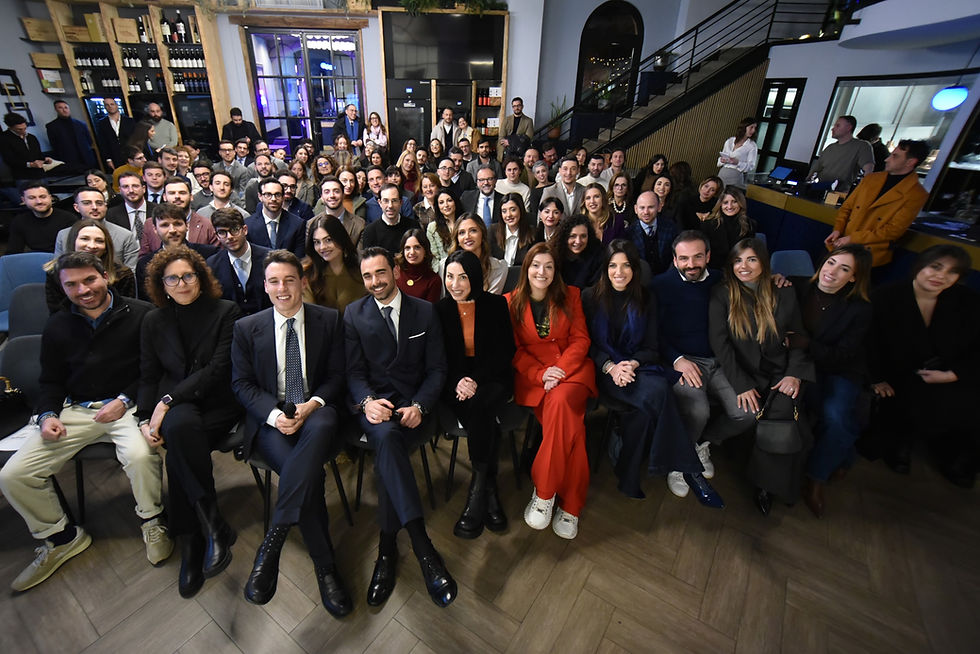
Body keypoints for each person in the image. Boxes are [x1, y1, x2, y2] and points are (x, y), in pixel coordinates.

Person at [0, 252, 171, 592]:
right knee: (14, 475)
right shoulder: (58, 325)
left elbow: (154, 372)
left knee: (139, 456)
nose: (83, 290)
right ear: (62, 288)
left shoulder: (142, 315)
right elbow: (50, 380)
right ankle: (61, 537)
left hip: (127, 407)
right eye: (72, 285)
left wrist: (123, 401)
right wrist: (47, 414)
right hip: (75, 410)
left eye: (89, 280)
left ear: (105, 276)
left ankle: (152, 520)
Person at [231, 250, 352, 617]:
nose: (282, 288)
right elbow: (242, 384)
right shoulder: (246, 328)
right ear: (264, 286)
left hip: (315, 412)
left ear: (302, 282)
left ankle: (273, 541)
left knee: (325, 422)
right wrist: (273, 415)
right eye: (274, 281)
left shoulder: (328, 320)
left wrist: (312, 404)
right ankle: (326, 566)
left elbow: (336, 377)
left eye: (289, 280)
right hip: (273, 421)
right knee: (308, 476)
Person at [345, 247, 457, 608]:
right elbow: (353, 373)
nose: (375, 282)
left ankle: (387, 550)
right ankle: (423, 548)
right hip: (377, 408)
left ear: (395, 270)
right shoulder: (353, 314)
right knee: (387, 440)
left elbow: (438, 368)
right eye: (367, 276)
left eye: (380, 273)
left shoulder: (424, 311)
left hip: (415, 409)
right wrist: (366, 403)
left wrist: (421, 405)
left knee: (388, 448)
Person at [137, 246, 242, 598]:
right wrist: (143, 417)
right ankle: (210, 527)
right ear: (161, 284)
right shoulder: (153, 320)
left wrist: (167, 402)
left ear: (200, 277)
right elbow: (149, 375)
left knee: (180, 436)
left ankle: (193, 539)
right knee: (181, 432)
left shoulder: (226, 311)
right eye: (173, 278)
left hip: (217, 402)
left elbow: (217, 370)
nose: (181, 283)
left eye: (188, 275)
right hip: (179, 409)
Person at [583, 240, 722, 504]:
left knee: (645, 412)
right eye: (613, 265)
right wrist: (612, 368)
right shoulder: (590, 297)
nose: (619, 272)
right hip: (602, 371)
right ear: (605, 268)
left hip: (637, 368)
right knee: (659, 390)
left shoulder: (647, 298)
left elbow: (651, 347)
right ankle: (688, 466)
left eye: (626, 265)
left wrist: (632, 364)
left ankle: (628, 477)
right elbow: (586, 344)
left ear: (635, 269)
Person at [708, 238, 815, 516]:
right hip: (745, 372)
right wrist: (741, 384)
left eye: (751, 260)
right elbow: (721, 346)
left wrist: (794, 374)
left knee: (788, 424)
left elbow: (798, 337)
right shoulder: (723, 294)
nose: (744, 266)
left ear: (763, 263)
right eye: (738, 260)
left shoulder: (783, 291)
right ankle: (762, 481)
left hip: (781, 372)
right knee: (760, 416)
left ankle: (770, 486)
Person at [865, 245, 980, 488]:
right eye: (936, 267)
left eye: (952, 272)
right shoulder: (885, 297)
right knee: (909, 396)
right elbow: (869, 345)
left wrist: (953, 374)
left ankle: (959, 457)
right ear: (920, 266)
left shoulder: (968, 302)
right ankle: (899, 443)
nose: (941, 276)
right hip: (900, 373)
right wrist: (876, 377)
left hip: (953, 372)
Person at [652, 231, 755, 500]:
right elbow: (653, 333)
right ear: (674, 260)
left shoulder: (722, 281)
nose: (691, 264)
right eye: (684, 258)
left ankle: (699, 444)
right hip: (681, 360)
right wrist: (677, 360)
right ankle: (678, 462)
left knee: (746, 412)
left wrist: (779, 279)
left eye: (698, 256)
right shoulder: (660, 286)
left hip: (720, 360)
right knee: (698, 410)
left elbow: (757, 283)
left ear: (708, 256)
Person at [506, 243, 596, 539]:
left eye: (548, 266)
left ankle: (544, 494)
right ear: (526, 269)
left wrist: (560, 372)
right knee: (574, 429)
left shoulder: (571, 295)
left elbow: (581, 340)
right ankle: (571, 506)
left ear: (555, 271)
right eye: (535, 265)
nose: (541, 272)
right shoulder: (510, 302)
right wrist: (541, 373)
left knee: (560, 404)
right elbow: (514, 351)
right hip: (536, 378)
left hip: (572, 371)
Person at [435, 249, 515, 537]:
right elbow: (439, 357)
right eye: (450, 277)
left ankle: (476, 491)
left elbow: (505, 351)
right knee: (481, 414)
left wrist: (475, 380)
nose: (455, 284)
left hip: (491, 376)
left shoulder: (495, 304)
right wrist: (458, 381)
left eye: (463, 277)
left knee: (481, 403)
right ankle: (489, 489)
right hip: (455, 381)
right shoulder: (441, 309)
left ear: (476, 278)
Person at [790, 245, 872, 517]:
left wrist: (807, 344)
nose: (832, 271)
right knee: (839, 417)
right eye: (831, 262)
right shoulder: (797, 286)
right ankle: (845, 456)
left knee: (836, 416)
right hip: (803, 365)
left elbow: (843, 355)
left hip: (840, 369)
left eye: (844, 269)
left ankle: (815, 479)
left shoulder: (860, 309)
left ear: (853, 278)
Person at [823, 139, 930, 268]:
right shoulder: (871, 179)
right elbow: (846, 208)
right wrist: (838, 230)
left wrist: (853, 238)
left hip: (868, 256)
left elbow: (892, 231)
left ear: (910, 162)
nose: (887, 159)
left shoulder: (916, 194)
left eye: (895, 156)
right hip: (840, 245)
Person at [45, 218, 136, 312]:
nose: (92, 246)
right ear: (73, 242)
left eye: (99, 241)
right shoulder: (54, 272)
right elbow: (57, 312)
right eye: (85, 239)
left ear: (106, 247)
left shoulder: (123, 274)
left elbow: (126, 311)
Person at [53, 187, 139, 270]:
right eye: (87, 203)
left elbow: (131, 272)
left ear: (105, 206)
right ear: (76, 207)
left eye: (99, 203)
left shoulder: (125, 236)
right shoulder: (64, 235)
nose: (94, 207)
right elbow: (57, 269)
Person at [207, 208, 272, 316]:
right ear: (217, 236)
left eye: (235, 229)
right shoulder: (212, 265)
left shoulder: (269, 258)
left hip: (266, 323)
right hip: (231, 327)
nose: (230, 237)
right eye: (222, 232)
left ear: (245, 230)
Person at [302, 214, 366, 315]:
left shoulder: (361, 268)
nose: (322, 247)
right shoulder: (308, 274)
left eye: (328, 240)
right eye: (317, 242)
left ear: (340, 238)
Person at [140, 177, 219, 255]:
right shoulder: (149, 224)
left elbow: (216, 258)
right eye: (172, 193)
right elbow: (144, 258)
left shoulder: (207, 224)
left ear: (191, 197)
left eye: (182, 193)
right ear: (164, 197)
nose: (177, 196)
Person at [806, 115, 874, 191]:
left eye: (837, 126)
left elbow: (868, 170)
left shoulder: (861, 146)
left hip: (840, 193)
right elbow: (815, 170)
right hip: (819, 188)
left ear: (849, 127)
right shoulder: (830, 148)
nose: (833, 129)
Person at [6, 182, 75, 254]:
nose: (39, 201)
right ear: (23, 200)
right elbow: (13, 251)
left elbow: (71, 251)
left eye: (42, 197)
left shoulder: (68, 219)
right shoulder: (19, 221)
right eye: (32, 198)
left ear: (50, 197)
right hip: (36, 259)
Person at [244, 177, 306, 259]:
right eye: (268, 195)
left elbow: (299, 258)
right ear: (260, 196)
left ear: (283, 197)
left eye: (277, 195)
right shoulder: (248, 225)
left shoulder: (297, 224)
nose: (273, 199)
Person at [696, 187, 756, 268]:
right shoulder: (708, 224)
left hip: (737, 267)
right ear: (720, 205)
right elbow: (703, 252)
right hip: (713, 268)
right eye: (725, 202)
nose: (730, 206)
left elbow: (749, 252)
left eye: (734, 202)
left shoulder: (750, 224)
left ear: (741, 203)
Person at [448, 214, 508, 293]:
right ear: (457, 239)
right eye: (462, 232)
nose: (467, 236)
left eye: (473, 230)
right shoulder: (445, 266)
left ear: (482, 235)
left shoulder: (498, 268)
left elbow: (490, 302)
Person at [625, 190, 677, 276]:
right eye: (642, 208)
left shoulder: (670, 228)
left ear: (659, 207)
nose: (646, 212)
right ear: (636, 209)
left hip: (666, 278)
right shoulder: (628, 233)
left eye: (651, 207)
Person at [360, 183, 421, 254]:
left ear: (401, 202)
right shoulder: (370, 231)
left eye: (394, 200)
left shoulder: (413, 226)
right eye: (386, 201)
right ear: (380, 203)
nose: (390, 206)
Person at [314, 175, 365, 247]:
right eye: (327, 192)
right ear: (321, 197)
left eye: (336, 191)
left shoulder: (360, 225)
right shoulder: (311, 224)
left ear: (343, 195)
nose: (332, 195)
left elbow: (360, 256)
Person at [45, 100, 96, 172]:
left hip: (87, 159)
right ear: (56, 110)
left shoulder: (80, 124)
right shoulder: (52, 126)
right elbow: (54, 145)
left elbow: (89, 140)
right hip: (69, 161)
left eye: (66, 107)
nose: (64, 110)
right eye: (60, 108)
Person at [555, 213, 603, 288]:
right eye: (573, 236)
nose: (578, 241)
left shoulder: (598, 255)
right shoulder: (555, 255)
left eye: (583, 236)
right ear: (565, 237)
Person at [394, 228, 441, 302]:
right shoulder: (395, 273)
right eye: (407, 248)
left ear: (425, 250)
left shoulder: (433, 280)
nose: (412, 252)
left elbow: (429, 311)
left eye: (417, 247)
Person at [489, 193, 535, 267]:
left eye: (513, 210)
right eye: (504, 211)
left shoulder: (533, 233)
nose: (508, 215)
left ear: (521, 210)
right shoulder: (493, 230)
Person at [107, 172, 154, 243]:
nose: (131, 190)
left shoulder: (158, 210)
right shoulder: (111, 214)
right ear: (120, 190)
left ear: (144, 189)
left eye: (135, 186)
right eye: (125, 187)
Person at [0, 112, 48, 179]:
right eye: (19, 129)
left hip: (39, 174)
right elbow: (9, 159)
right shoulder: (4, 138)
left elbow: (38, 154)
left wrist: (45, 160)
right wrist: (30, 165)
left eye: (25, 128)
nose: (23, 131)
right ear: (10, 127)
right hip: (22, 176)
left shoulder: (31, 137)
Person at [717, 117, 759, 188]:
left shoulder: (752, 146)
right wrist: (722, 160)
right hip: (722, 173)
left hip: (736, 176)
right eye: (751, 127)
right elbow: (722, 158)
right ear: (744, 127)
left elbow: (751, 166)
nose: (753, 130)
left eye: (755, 128)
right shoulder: (730, 141)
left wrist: (738, 163)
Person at [95, 97, 135, 170]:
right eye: (107, 105)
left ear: (116, 105)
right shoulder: (102, 123)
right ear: (104, 107)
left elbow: (135, 139)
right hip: (115, 157)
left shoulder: (129, 121)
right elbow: (103, 143)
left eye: (112, 104)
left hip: (131, 156)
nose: (110, 107)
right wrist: (108, 159)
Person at [428, 187, 459, 271]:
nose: (446, 205)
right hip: (443, 269)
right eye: (441, 202)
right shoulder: (432, 227)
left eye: (449, 200)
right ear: (437, 206)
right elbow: (434, 256)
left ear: (455, 202)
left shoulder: (464, 222)